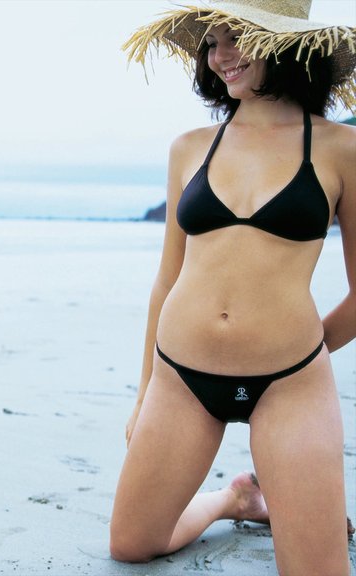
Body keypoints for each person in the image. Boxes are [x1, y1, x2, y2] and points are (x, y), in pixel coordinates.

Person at [110, 1, 356, 574]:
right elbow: (166, 279)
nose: (220, 55)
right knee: (131, 544)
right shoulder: (190, 147)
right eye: (211, 42)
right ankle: (236, 499)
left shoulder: (341, 149)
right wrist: (144, 392)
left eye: (235, 38)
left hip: (289, 383)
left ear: (285, 44)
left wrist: (295, 349)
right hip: (181, 377)